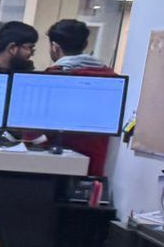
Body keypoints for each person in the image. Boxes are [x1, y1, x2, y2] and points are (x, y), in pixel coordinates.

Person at [43, 17, 119, 173]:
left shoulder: (53, 77)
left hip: (55, 162)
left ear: (54, 47)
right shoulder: (111, 78)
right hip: (97, 160)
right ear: (85, 45)